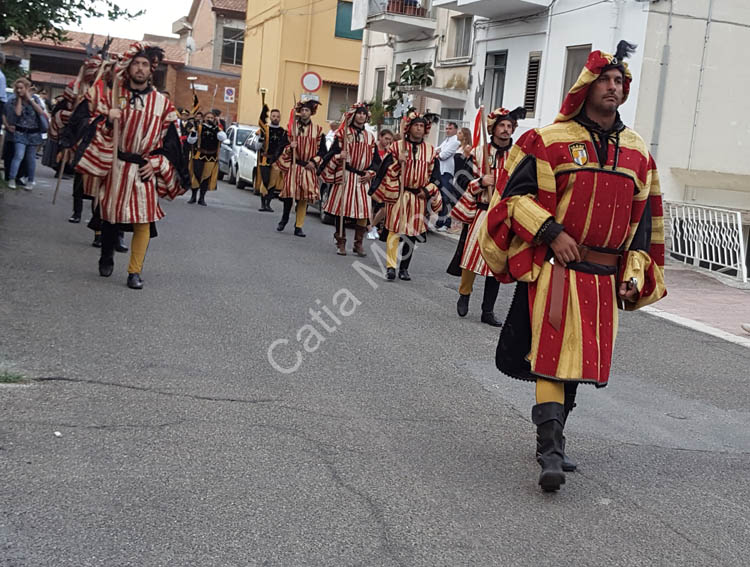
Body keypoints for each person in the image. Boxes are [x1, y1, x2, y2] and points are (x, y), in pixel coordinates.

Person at [479, 41, 667, 492]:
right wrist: (550, 232)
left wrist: (634, 276)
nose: (612, 87)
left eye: (619, 81)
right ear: (585, 85)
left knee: (578, 364)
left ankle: (556, 439)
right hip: (557, 272)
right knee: (550, 360)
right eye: (604, 79)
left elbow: (642, 227)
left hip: (604, 278)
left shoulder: (639, 152)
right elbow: (511, 201)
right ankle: (550, 450)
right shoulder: (548, 141)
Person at [75, 42, 188, 289]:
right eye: (136, 63)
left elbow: (172, 144)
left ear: (151, 70)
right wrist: (106, 120)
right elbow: (88, 123)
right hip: (116, 164)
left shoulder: (163, 104)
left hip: (143, 168)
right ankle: (106, 255)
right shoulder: (115, 95)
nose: (140, 68)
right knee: (109, 217)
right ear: (129, 67)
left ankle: (134, 272)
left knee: (143, 222)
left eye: (145, 64)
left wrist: (158, 163)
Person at [448, 107, 525, 327]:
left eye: (509, 126)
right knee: (471, 258)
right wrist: (480, 182)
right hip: (481, 211)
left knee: (497, 263)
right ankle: (464, 294)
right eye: (502, 125)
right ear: (493, 128)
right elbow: (460, 181)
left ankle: (487, 310)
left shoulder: (517, 157)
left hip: (503, 215)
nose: (506, 130)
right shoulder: (478, 152)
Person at [372, 110, 442, 281]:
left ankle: (404, 268)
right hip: (399, 194)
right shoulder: (396, 147)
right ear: (409, 128)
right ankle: (390, 267)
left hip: (418, 197)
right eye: (416, 125)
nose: (419, 129)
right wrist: (398, 164)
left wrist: (426, 191)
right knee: (394, 230)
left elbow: (436, 177)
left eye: (421, 126)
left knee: (412, 234)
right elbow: (385, 173)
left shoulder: (430, 151)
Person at [320, 103, 377, 256]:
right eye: (359, 113)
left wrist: (371, 172)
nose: (362, 116)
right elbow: (331, 154)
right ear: (353, 115)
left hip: (363, 178)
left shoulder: (370, 137)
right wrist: (339, 156)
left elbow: (376, 160)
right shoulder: (343, 134)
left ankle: (358, 244)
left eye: (364, 114)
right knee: (341, 211)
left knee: (364, 212)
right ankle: (340, 241)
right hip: (346, 175)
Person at [276, 97, 327, 237]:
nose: (304, 112)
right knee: (289, 195)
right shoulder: (291, 129)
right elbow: (281, 147)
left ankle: (299, 226)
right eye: (302, 110)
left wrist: (314, 162)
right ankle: (284, 218)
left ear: (311, 113)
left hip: (308, 167)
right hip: (294, 165)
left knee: (303, 198)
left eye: (307, 110)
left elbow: (323, 151)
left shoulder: (318, 130)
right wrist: (289, 147)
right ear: (299, 111)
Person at [4, 78, 48, 190]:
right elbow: (18, 113)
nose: (19, 90)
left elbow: (41, 112)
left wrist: (29, 98)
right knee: (18, 155)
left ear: (26, 88)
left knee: (30, 158)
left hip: (33, 133)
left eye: (21, 88)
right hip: (20, 132)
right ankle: (12, 179)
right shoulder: (14, 100)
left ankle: (30, 180)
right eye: (17, 88)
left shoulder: (35, 99)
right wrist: (19, 98)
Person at [186, 110, 226, 205]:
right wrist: (193, 133)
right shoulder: (199, 128)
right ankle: (193, 196)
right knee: (196, 174)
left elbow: (223, 138)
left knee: (206, 177)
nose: (209, 119)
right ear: (204, 118)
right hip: (199, 155)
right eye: (208, 117)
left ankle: (202, 198)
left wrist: (215, 128)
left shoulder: (217, 130)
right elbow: (191, 141)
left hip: (211, 156)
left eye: (211, 118)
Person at [254, 107, 288, 212]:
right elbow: (257, 146)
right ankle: (263, 203)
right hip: (265, 159)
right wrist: (260, 140)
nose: (276, 118)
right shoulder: (264, 129)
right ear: (270, 117)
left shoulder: (283, 132)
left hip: (276, 161)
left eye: (278, 116)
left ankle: (268, 204)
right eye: (273, 116)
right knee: (266, 180)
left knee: (273, 182)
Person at [367, 128, 394, 238]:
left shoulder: (390, 152)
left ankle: (373, 225)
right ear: (380, 137)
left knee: (384, 207)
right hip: (373, 179)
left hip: (384, 182)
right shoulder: (373, 149)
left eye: (390, 140)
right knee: (371, 206)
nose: (387, 141)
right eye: (386, 138)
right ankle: (369, 229)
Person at [434, 121, 460, 232]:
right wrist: (438, 152)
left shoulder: (455, 142)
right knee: (440, 197)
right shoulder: (447, 141)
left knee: (446, 198)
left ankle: (446, 223)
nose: (447, 130)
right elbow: (436, 150)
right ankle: (440, 221)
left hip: (448, 172)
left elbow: (443, 155)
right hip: (441, 171)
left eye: (450, 128)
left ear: (455, 130)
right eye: (447, 128)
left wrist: (438, 153)